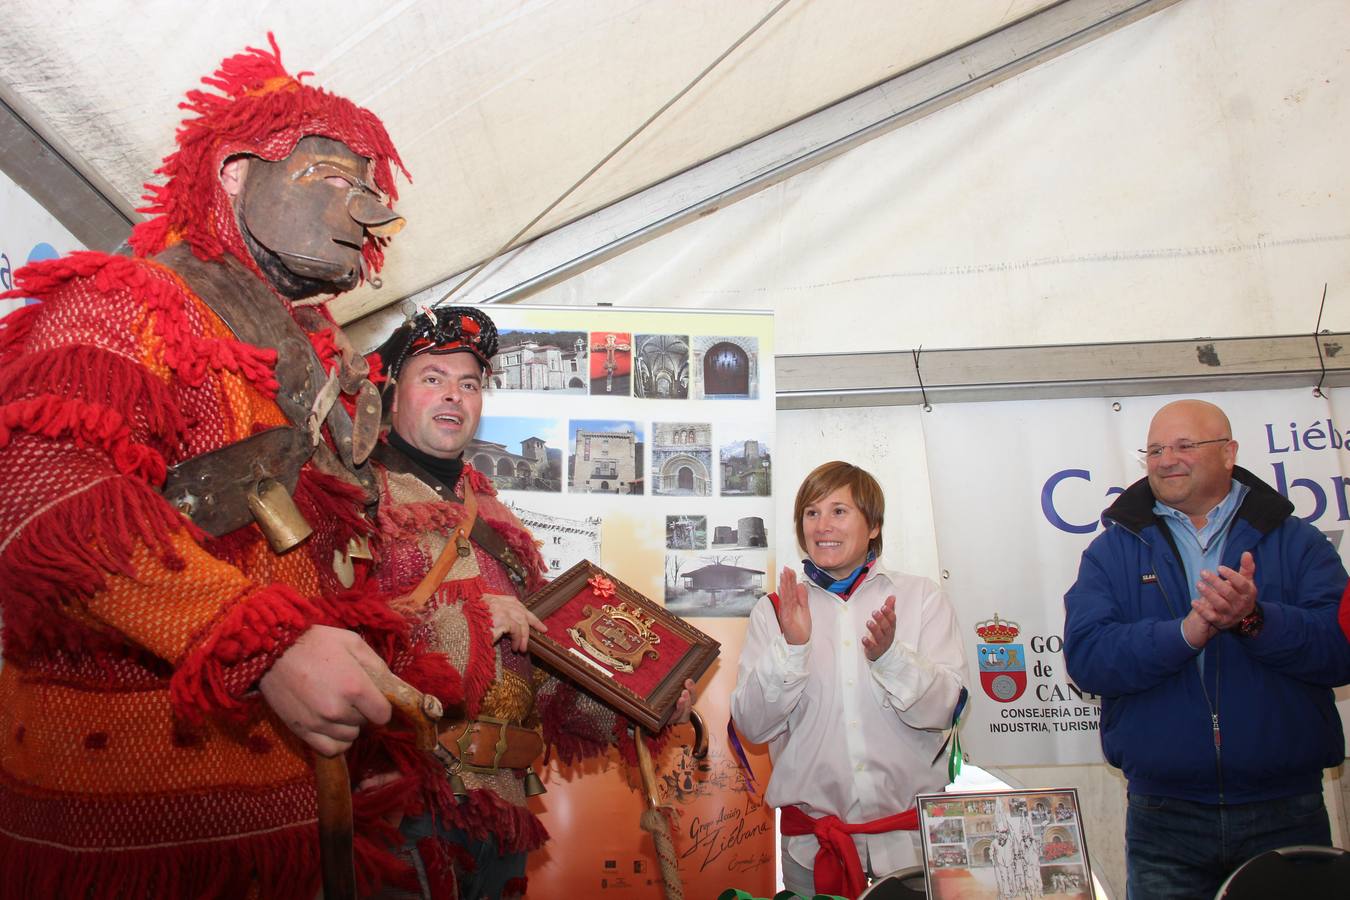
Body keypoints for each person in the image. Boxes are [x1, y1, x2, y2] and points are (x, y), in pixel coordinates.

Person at [0, 37, 456, 898]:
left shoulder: (319, 361)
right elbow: (41, 493)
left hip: (294, 822)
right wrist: (261, 641)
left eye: (372, 191)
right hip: (140, 838)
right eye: (329, 175)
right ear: (237, 174)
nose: (363, 210)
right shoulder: (128, 300)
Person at [367, 305, 695, 900]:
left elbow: (540, 666)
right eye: (432, 378)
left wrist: (641, 703)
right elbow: (330, 634)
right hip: (404, 799)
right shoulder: (357, 495)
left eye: (469, 384)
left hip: (504, 804)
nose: (454, 396)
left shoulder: (497, 518)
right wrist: (471, 618)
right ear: (392, 393)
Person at [1064, 399, 1350, 900]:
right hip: (1164, 818)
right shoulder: (1112, 550)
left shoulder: (1297, 542)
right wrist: (1186, 633)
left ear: (1228, 452)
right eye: (1153, 449)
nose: (1165, 459)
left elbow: (1340, 650)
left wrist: (1255, 620)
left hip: (1286, 809)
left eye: (1184, 445)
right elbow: (1088, 658)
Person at [730, 461, 968, 899]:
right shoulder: (775, 610)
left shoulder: (921, 599)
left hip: (913, 853)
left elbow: (944, 711)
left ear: (873, 525)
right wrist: (793, 648)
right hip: (812, 853)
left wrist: (891, 658)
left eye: (839, 511)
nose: (822, 526)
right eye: (811, 513)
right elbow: (752, 726)